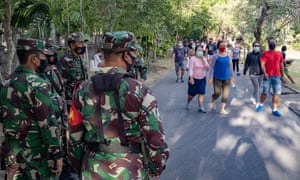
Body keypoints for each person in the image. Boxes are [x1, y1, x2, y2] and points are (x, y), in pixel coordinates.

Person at [67, 31, 169, 179]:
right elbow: (155, 137)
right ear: (125, 55)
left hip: (92, 170)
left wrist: (81, 166)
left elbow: (73, 137)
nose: (134, 57)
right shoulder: (140, 91)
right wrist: (156, 167)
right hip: (130, 171)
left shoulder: (81, 91)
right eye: (133, 52)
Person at [0, 38, 63, 179]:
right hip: (37, 154)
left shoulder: (7, 82)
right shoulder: (38, 84)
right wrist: (57, 154)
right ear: (34, 59)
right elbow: (47, 123)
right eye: (42, 56)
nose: (45, 60)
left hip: (12, 153)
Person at [256, 37, 285, 117]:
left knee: (276, 93)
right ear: (269, 44)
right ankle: (260, 105)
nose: (272, 43)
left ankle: (275, 109)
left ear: (276, 44)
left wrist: (282, 76)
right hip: (267, 76)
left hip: (277, 77)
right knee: (265, 92)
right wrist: (264, 72)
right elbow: (262, 64)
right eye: (271, 42)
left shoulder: (279, 53)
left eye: (274, 42)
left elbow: (281, 65)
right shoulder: (265, 53)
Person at [59, 32, 88, 107]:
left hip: (81, 97)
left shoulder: (81, 58)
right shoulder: (65, 60)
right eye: (80, 43)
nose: (83, 45)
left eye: (83, 43)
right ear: (72, 45)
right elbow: (61, 83)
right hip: (70, 101)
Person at [208, 40, 235, 114]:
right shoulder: (215, 56)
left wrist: (232, 77)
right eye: (221, 46)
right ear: (218, 47)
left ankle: (222, 109)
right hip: (217, 77)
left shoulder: (228, 57)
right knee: (217, 92)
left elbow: (231, 67)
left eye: (224, 46)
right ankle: (213, 99)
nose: (223, 47)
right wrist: (210, 78)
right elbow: (211, 67)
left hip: (227, 77)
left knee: (225, 94)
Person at [186, 45, 209, 113]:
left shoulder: (204, 58)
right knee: (191, 95)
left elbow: (207, 67)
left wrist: (203, 59)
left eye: (201, 51)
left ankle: (201, 107)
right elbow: (191, 69)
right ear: (195, 51)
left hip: (202, 78)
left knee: (201, 93)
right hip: (194, 78)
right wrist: (191, 78)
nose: (200, 52)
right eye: (198, 50)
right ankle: (188, 102)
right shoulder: (192, 59)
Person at [243, 41, 264, 107]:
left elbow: (264, 64)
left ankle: (252, 97)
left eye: (258, 46)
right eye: (255, 46)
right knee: (257, 87)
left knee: (257, 87)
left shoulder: (261, 55)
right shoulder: (249, 55)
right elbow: (246, 64)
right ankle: (257, 103)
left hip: (261, 74)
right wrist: (244, 73)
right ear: (253, 46)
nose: (256, 47)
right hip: (252, 74)